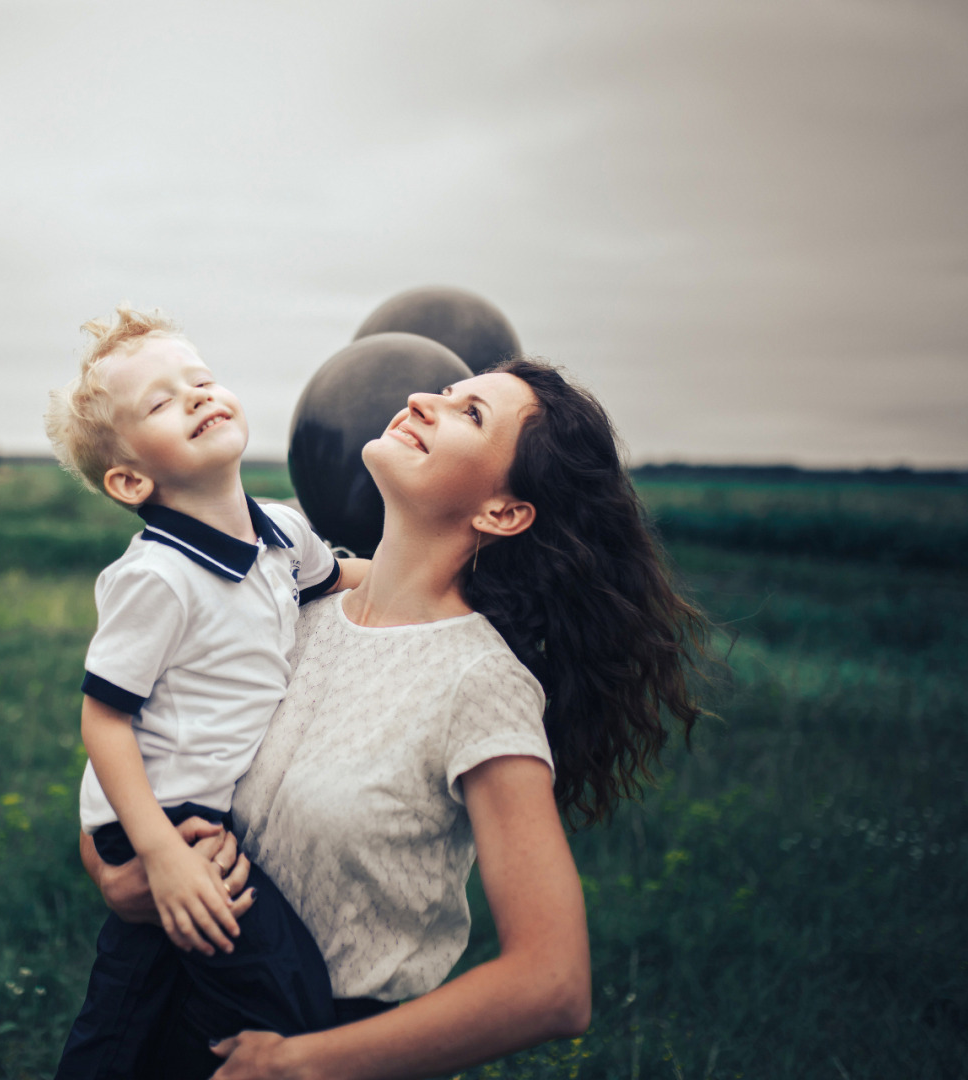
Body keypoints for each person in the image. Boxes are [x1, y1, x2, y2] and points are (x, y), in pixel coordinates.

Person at [79, 358, 711, 1079]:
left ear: (502, 513)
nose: (420, 398)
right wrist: (114, 871)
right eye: (444, 392)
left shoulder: (480, 684)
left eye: (470, 413)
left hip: (314, 1044)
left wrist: (307, 1064)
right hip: (164, 1002)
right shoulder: (287, 606)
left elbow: (553, 985)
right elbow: (139, 748)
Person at [44, 304, 370, 1079]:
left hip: (207, 818)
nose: (195, 396)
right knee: (284, 997)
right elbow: (103, 721)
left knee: (137, 1003)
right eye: (160, 402)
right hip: (161, 826)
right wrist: (159, 852)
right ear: (129, 479)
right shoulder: (156, 577)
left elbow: (345, 579)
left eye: (201, 380)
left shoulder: (282, 533)